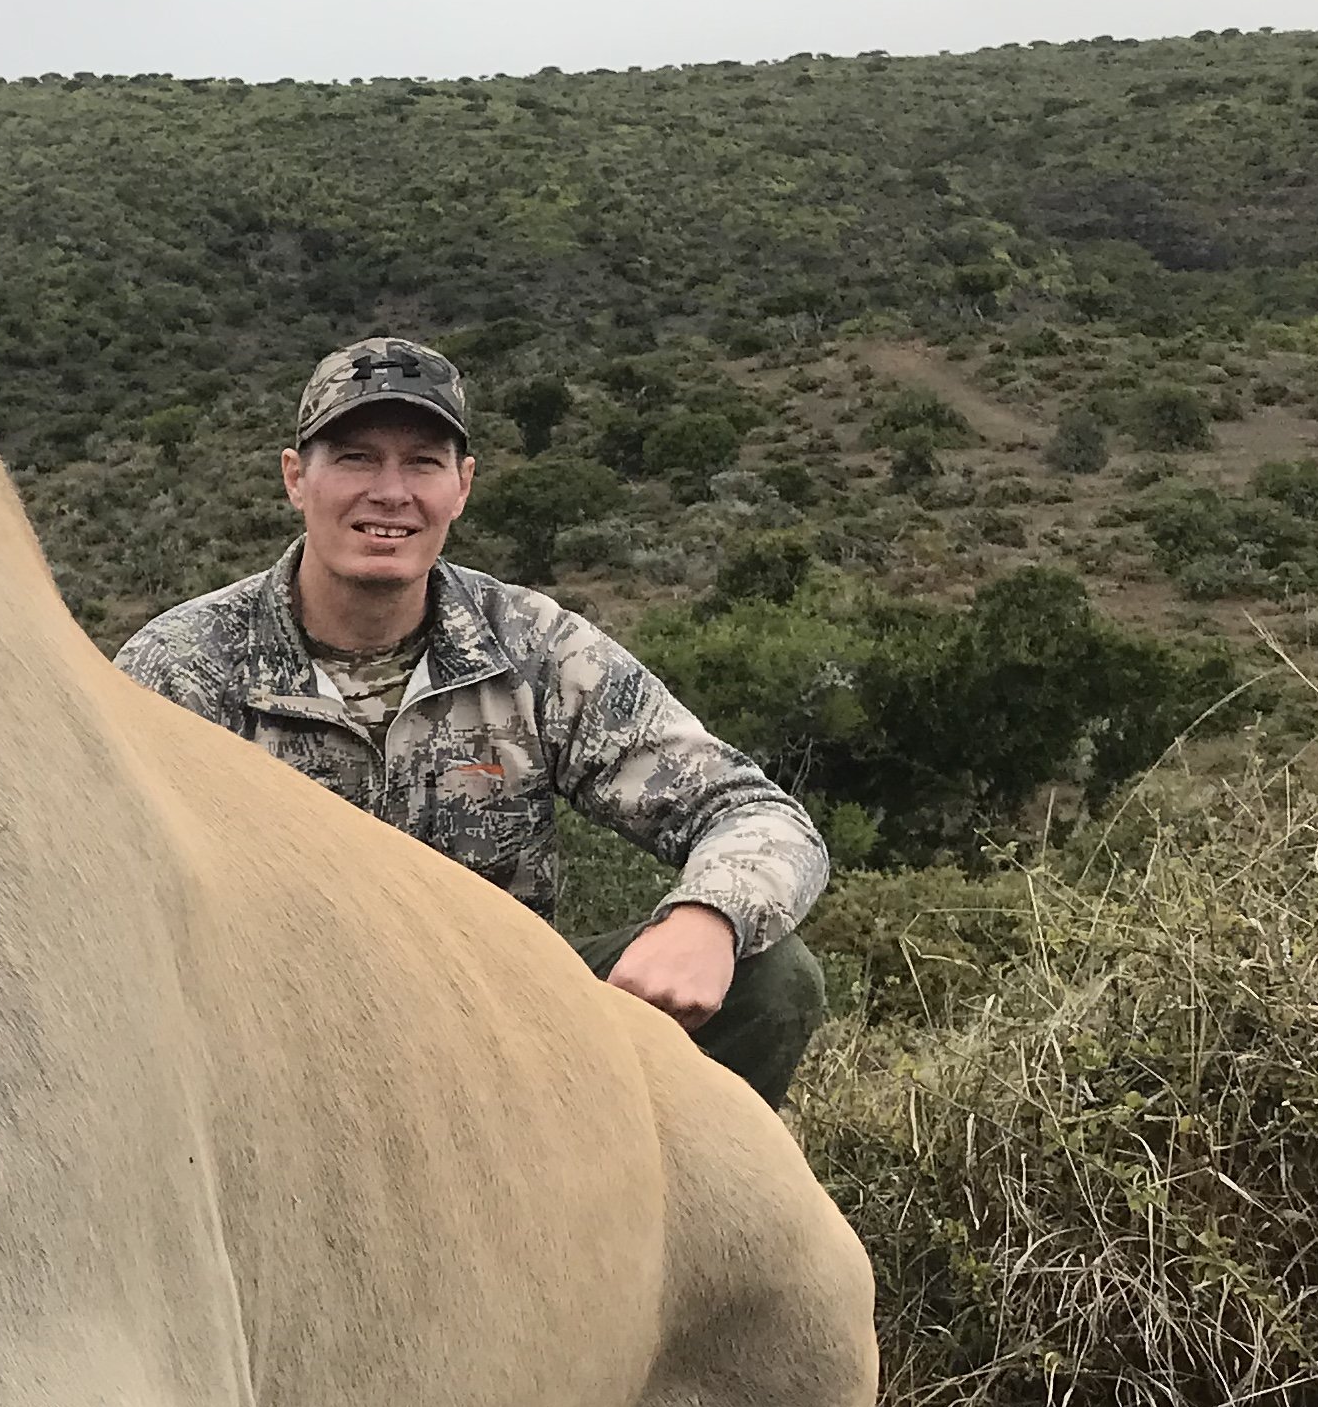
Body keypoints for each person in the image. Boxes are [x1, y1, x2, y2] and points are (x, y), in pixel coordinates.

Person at [114, 336, 831, 1106]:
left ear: (462, 486)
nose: (390, 492)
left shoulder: (534, 648)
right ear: (297, 479)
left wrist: (706, 917)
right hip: (267, 1061)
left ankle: (618, 1217)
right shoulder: (181, 669)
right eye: (355, 457)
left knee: (774, 980)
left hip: (503, 1037)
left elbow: (754, 812)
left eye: (421, 462)